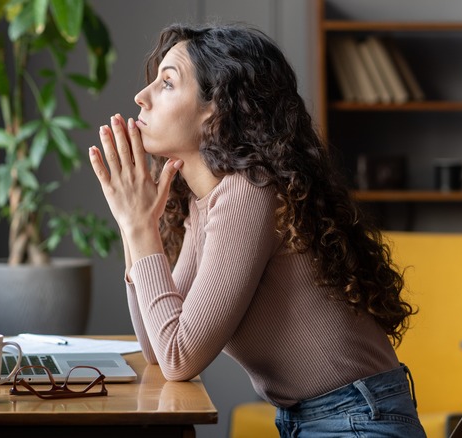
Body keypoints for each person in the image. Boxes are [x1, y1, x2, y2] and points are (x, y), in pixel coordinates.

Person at [88, 22, 426, 437]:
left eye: (168, 83)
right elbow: (158, 350)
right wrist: (132, 224)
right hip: (329, 419)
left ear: (216, 109)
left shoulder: (249, 192)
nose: (142, 96)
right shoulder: (208, 204)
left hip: (357, 422)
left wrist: (140, 228)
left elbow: (178, 356)